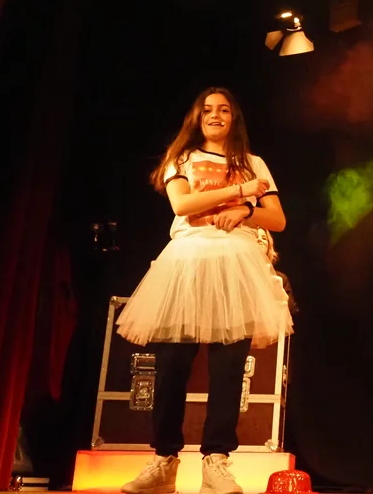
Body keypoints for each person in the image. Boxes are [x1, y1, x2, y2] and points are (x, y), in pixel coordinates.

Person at [116, 87, 292, 494]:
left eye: (224, 110)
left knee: (229, 371)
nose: (215, 115)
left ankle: (216, 461)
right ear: (196, 118)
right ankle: (164, 462)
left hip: (237, 267)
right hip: (188, 264)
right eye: (208, 109)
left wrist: (247, 210)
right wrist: (240, 192)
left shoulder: (253, 163)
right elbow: (182, 206)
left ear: (234, 118)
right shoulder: (182, 159)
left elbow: (278, 219)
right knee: (171, 368)